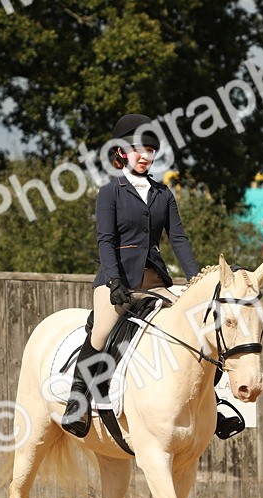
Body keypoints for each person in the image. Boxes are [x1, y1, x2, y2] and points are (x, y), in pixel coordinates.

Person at [61, 113, 202, 437]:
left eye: (151, 150)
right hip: (117, 282)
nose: (146, 156)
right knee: (101, 332)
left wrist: (195, 280)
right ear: (122, 152)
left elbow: (178, 239)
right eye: (139, 149)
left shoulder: (163, 193)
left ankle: (214, 404)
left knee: (198, 327)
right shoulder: (111, 192)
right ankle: (77, 402)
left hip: (155, 282)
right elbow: (106, 241)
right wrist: (113, 282)